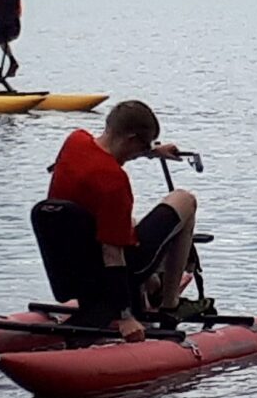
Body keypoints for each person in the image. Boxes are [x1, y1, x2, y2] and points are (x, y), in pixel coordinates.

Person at [45, 100, 211, 343]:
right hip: (113, 270)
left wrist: (152, 151)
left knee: (128, 222)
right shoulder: (114, 182)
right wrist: (125, 317)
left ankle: (153, 286)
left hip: (70, 267)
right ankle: (169, 303)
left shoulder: (74, 141)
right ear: (132, 139)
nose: (142, 150)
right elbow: (113, 254)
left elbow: (105, 153)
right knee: (184, 200)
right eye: (142, 144)